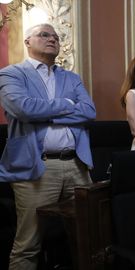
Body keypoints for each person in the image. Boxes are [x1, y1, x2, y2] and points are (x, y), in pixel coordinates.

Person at [0, 23, 96, 270]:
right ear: (27, 42)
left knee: (88, 237)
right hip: (37, 167)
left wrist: (45, 112)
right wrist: (66, 104)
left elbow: (88, 112)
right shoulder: (12, 74)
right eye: (44, 34)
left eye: (56, 36)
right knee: (28, 245)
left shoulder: (71, 77)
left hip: (77, 166)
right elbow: (22, 108)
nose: (52, 38)